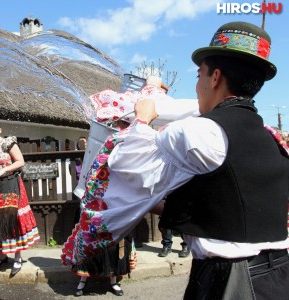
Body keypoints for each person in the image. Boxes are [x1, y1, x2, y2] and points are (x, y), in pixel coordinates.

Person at [64, 21, 289, 299]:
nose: (197, 87)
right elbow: (218, 200)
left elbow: (130, 167)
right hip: (279, 275)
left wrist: (143, 120)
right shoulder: (272, 138)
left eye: (199, 76)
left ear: (215, 77)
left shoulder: (200, 131)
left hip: (231, 279)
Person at [70, 119, 136, 297]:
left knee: (114, 242)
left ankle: (113, 281)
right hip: (94, 202)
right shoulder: (97, 154)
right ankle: (83, 279)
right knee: (89, 238)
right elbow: (87, 178)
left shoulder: (127, 152)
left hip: (117, 203)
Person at [0, 120, 40, 278]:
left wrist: (3, 169)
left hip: (11, 183)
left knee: (12, 220)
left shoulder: (8, 143)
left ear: (0, 130)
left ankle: (17, 258)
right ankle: (2, 256)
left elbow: (20, 162)